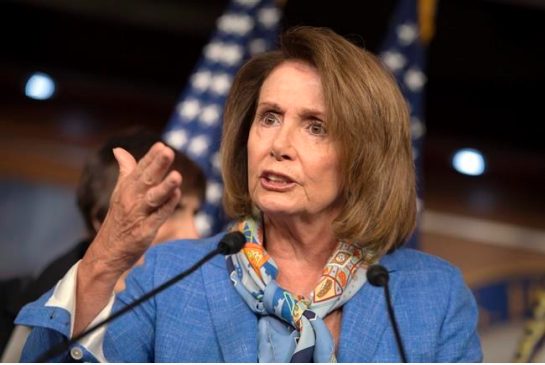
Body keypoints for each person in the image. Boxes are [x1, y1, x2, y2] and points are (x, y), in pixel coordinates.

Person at [15, 26, 482, 362]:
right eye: (269, 117)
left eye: (315, 127)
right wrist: (105, 258)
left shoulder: (432, 297)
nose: (278, 146)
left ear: (365, 157)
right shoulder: (169, 273)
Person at [2, 128, 205, 362]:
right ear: (102, 217)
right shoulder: (25, 309)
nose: (194, 233)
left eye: (195, 213)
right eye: (169, 209)